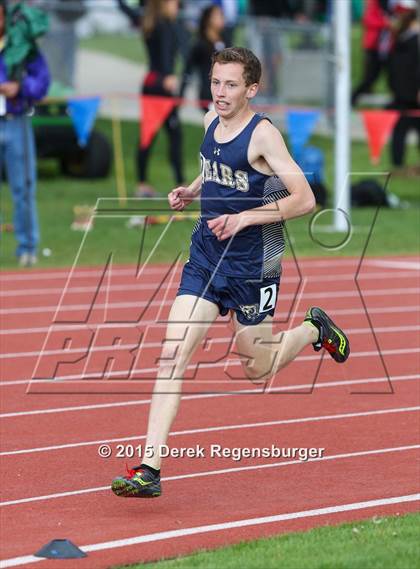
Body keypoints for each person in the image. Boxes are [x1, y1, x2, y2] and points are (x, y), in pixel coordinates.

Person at [111, 47, 350, 499]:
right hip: (206, 254)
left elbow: (304, 200)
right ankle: (150, 469)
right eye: (215, 82)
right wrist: (192, 189)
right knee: (172, 353)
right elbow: (214, 167)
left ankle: (313, 329)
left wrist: (245, 218)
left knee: (257, 368)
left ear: (252, 89)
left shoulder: (264, 136)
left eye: (230, 85)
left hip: (254, 262)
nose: (219, 93)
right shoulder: (208, 120)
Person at [117, 0, 186, 197]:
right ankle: (146, 184)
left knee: (165, 134)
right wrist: (167, 77)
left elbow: (127, 10)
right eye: (173, 2)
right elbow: (164, 57)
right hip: (160, 84)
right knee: (155, 134)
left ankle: (149, 182)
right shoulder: (161, 25)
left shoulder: (151, 21)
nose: (177, 5)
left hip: (153, 83)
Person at [0, 0, 50, 267]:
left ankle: (28, 247)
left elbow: (42, 82)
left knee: (23, 188)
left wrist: (20, 87)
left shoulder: (23, 46)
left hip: (16, 121)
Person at [387, 0, 420, 170]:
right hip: (401, 92)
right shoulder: (400, 35)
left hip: (414, 93)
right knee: (399, 130)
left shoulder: (415, 37)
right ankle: (398, 164)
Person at [181, 4, 227, 112]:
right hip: (208, 94)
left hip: (225, 92)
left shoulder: (225, 42)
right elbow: (188, 70)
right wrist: (181, 94)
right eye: (218, 15)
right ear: (208, 19)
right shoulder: (200, 45)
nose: (222, 18)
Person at [351, 0, 393, 106]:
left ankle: (399, 103)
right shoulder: (374, 3)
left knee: (394, 76)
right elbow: (368, 20)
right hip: (374, 47)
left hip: (388, 47)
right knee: (370, 77)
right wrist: (386, 23)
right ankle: (352, 98)